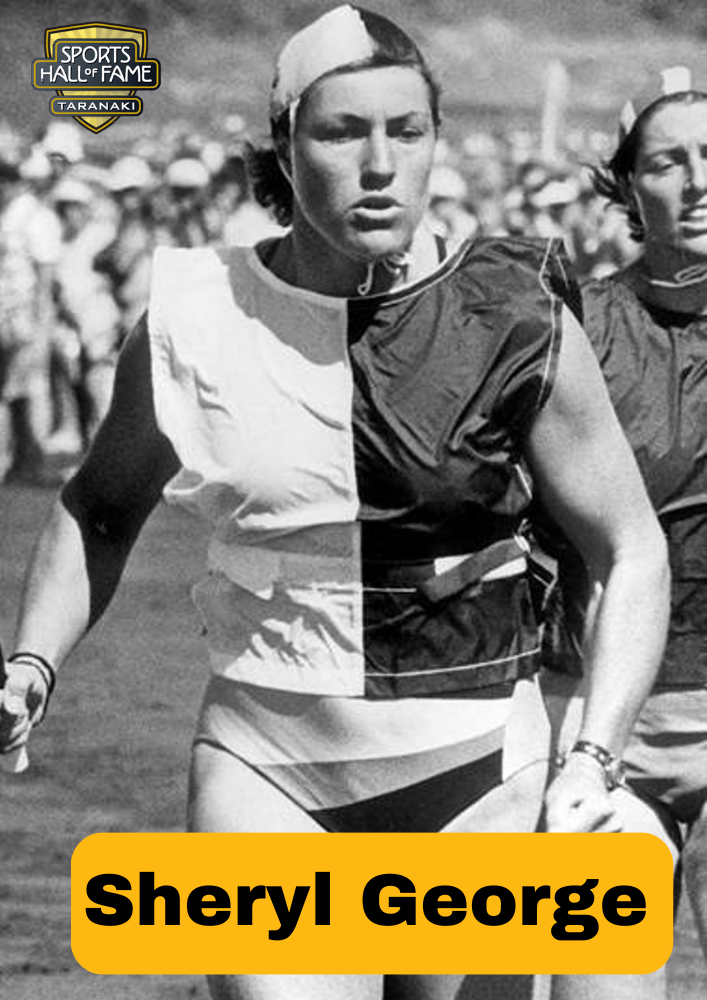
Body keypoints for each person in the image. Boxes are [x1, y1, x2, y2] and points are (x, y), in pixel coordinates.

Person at [0, 7, 671, 1000]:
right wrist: (32, 660)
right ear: (284, 146)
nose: (379, 164)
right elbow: (100, 508)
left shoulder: (515, 314)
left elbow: (628, 548)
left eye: (407, 131)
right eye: (342, 132)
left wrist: (593, 755)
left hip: (481, 775)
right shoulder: (195, 315)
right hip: (267, 770)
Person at [562, 67, 707, 971]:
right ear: (625, 184)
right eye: (666, 162)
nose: (697, 181)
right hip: (601, 718)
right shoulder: (573, 327)